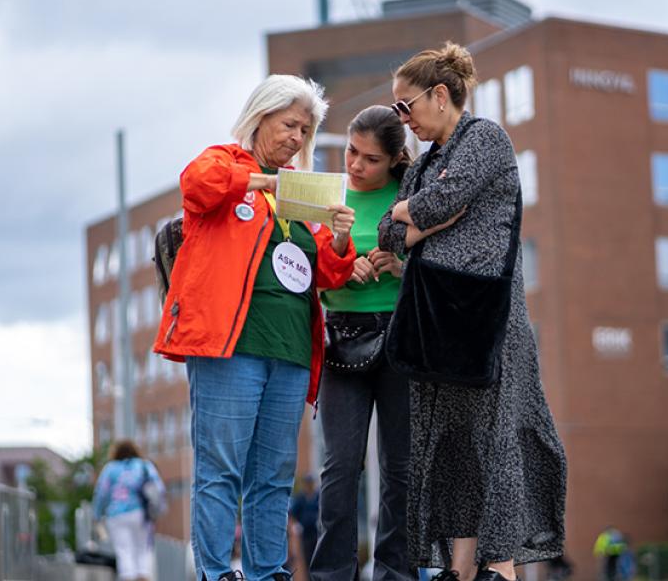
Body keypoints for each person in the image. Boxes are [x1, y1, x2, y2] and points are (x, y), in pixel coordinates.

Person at [152, 74, 358, 581]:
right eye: (290, 124)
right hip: (231, 346)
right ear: (260, 117)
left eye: (305, 131)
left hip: (288, 350)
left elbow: (329, 274)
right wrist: (263, 182)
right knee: (220, 467)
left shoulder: (302, 193)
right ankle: (217, 571)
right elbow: (196, 184)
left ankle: (269, 572)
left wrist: (338, 239)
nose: (297, 138)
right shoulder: (224, 162)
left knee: (273, 475)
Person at [378, 43, 567, 581]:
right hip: (434, 323)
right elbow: (389, 234)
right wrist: (414, 218)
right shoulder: (426, 166)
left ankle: (500, 567)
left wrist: (418, 217)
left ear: (440, 95)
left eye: (405, 105)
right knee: (450, 445)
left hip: (488, 320)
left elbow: (444, 201)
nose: (402, 118)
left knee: (495, 439)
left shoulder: (484, 137)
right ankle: (460, 569)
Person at [309, 105, 414, 581]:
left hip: (401, 337)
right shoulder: (328, 196)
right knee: (340, 467)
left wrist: (402, 265)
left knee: (401, 469)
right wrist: (339, 262)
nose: (355, 165)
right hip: (341, 337)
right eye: (352, 151)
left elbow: (442, 266)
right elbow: (307, 276)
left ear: (394, 160)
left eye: (370, 159)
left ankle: (395, 573)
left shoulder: (414, 195)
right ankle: (333, 574)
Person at [92, 440, 166, 581]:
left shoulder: (111, 468)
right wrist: (158, 510)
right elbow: (159, 488)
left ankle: (127, 577)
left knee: (124, 552)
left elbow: (101, 493)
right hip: (141, 514)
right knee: (143, 551)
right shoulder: (145, 466)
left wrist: (96, 515)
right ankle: (143, 577)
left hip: (116, 515)